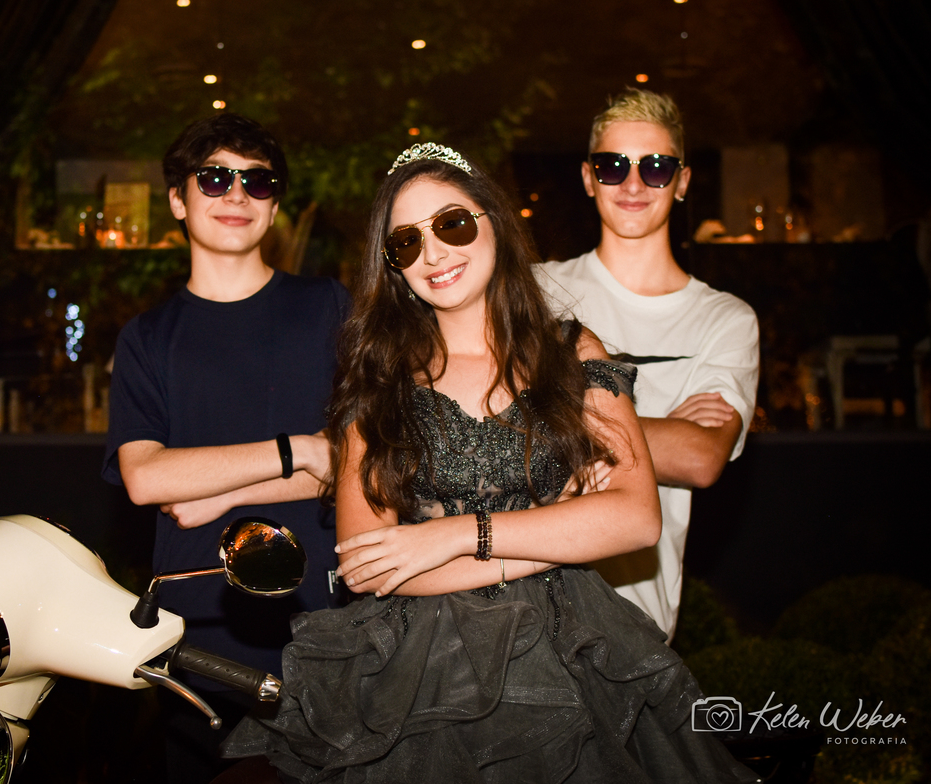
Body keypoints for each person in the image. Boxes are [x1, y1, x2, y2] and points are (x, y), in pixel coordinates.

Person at [223, 143, 757, 782]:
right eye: (406, 242)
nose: (434, 253)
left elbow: (636, 519)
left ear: (493, 223)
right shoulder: (379, 380)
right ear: (393, 266)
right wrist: (559, 533)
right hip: (417, 675)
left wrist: (450, 536)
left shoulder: (573, 351)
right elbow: (368, 565)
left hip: (573, 654)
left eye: (451, 224)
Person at [102, 112, 350, 782]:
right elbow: (145, 477)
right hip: (200, 636)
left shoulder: (329, 307)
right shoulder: (148, 338)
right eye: (215, 179)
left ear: (275, 205)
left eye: (257, 181)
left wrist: (218, 491)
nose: (237, 194)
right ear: (178, 200)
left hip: (326, 627)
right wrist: (301, 449)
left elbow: (362, 457)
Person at [538, 89, 760, 641]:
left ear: (682, 182)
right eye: (612, 166)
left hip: (638, 627)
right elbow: (489, 419)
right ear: (588, 177)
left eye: (656, 167)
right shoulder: (538, 292)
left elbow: (702, 458)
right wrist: (659, 432)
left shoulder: (724, 319)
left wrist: (559, 415)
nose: (633, 184)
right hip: (528, 602)